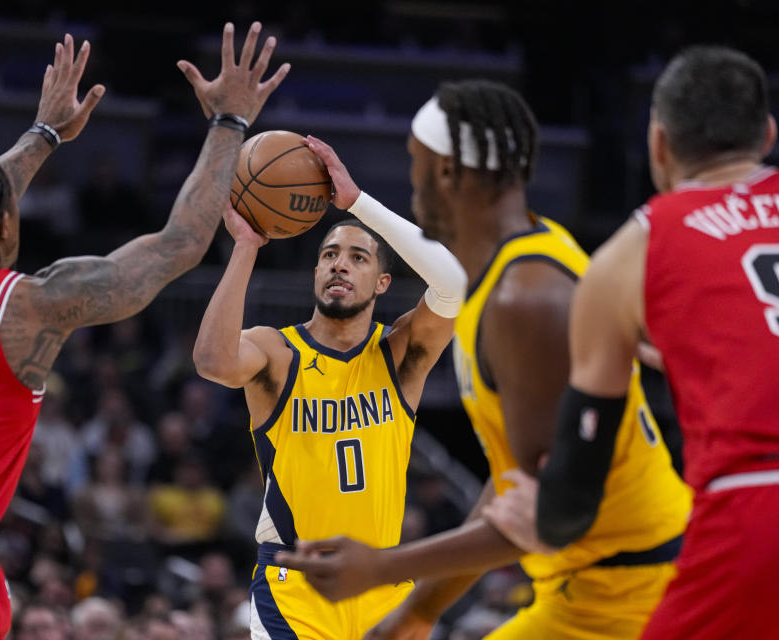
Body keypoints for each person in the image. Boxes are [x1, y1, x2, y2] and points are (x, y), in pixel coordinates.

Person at [0, 22, 289, 639]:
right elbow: (178, 245)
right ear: (7, 225)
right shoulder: (28, 305)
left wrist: (42, 135)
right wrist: (230, 122)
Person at [276, 81, 692, 640]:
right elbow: (513, 482)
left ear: (446, 174)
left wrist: (383, 569)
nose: (412, 184)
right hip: (591, 586)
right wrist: (415, 613)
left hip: (635, 595)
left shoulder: (528, 300)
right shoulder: (507, 271)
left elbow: (553, 514)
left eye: (414, 164)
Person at [484, 46, 779, 640]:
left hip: (755, 510)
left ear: (659, 145)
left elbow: (578, 481)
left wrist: (545, 521)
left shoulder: (628, 256)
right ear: (768, 135)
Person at [192, 136, 468, 638]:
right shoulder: (276, 351)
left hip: (383, 584)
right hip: (295, 585)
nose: (341, 263)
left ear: (383, 283)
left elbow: (454, 283)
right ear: (316, 271)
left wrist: (358, 204)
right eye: (330, 254)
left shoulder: (400, 354)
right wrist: (246, 250)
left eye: (359, 257)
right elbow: (212, 361)